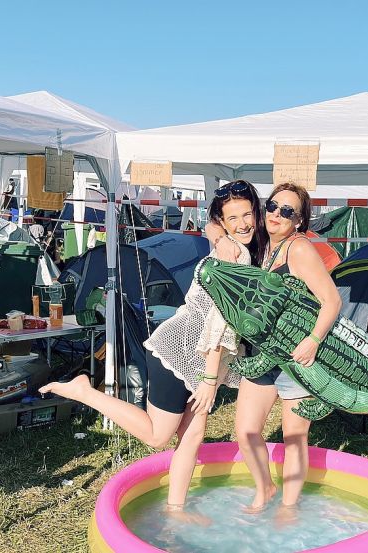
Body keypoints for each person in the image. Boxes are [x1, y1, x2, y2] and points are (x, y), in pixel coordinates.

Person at [40, 180, 266, 515]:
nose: (243, 224)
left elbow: (211, 226)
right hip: (181, 352)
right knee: (159, 436)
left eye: (247, 214)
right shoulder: (233, 256)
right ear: (224, 220)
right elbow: (221, 322)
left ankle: (176, 509)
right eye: (233, 219)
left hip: (201, 356)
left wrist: (219, 231)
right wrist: (208, 380)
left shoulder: (237, 246)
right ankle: (85, 392)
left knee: (192, 434)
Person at [209, 182, 341, 516]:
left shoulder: (299, 249)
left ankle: (289, 506)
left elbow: (332, 300)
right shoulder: (264, 244)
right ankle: (265, 487)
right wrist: (219, 237)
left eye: (287, 211)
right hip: (261, 356)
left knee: (295, 435)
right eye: (272, 206)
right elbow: (214, 221)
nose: (276, 215)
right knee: (246, 430)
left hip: (296, 359)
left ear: (299, 220)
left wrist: (313, 340)